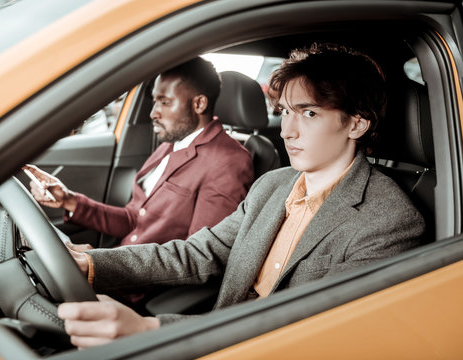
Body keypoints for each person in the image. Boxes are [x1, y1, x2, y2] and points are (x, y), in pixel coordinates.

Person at [56, 44, 426, 349]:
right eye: (284, 112)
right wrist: (95, 265)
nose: (287, 131)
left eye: (308, 113)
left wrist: (152, 331)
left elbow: (310, 334)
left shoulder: (389, 221)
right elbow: (197, 252)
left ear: (357, 123)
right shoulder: (273, 184)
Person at [26, 57, 254, 250]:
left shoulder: (228, 162)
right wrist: (69, 200)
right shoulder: (171, 144)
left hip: (146, 293)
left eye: (164, 102)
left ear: (199, 104)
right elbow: (134, 220)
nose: (153, 113)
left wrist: (97, 263)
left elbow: (197, 258)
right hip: (123, 265)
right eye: (155, 101)